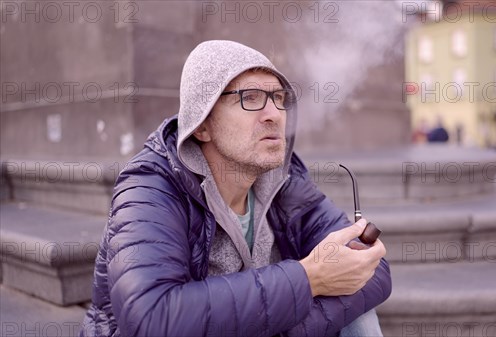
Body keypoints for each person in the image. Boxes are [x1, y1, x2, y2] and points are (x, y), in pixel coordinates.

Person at [80, 40, 391, 336]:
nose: (274, 115)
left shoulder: (285, 183)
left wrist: (280, 325)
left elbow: (375, 271)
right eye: (250, 98)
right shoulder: (152, 188)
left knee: (358, 300)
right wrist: (309, 278)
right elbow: (152, 317)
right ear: (202, 125)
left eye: (278, 98)